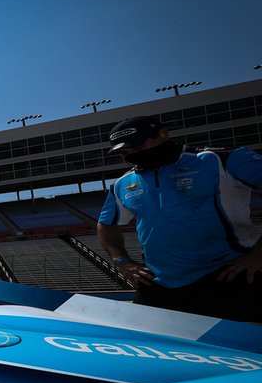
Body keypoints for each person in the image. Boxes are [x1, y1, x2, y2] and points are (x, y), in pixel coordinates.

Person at [96, 115, 262, 322]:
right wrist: (121, 261)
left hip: (227, 275)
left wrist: (258, 255)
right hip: (159, 283)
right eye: (125, 152)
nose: (132, 156)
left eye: (138, 148)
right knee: (150, 349)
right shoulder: (123, 183)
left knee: (245, 349)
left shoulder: (220, 160)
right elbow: (105, 225)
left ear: (163, 135)